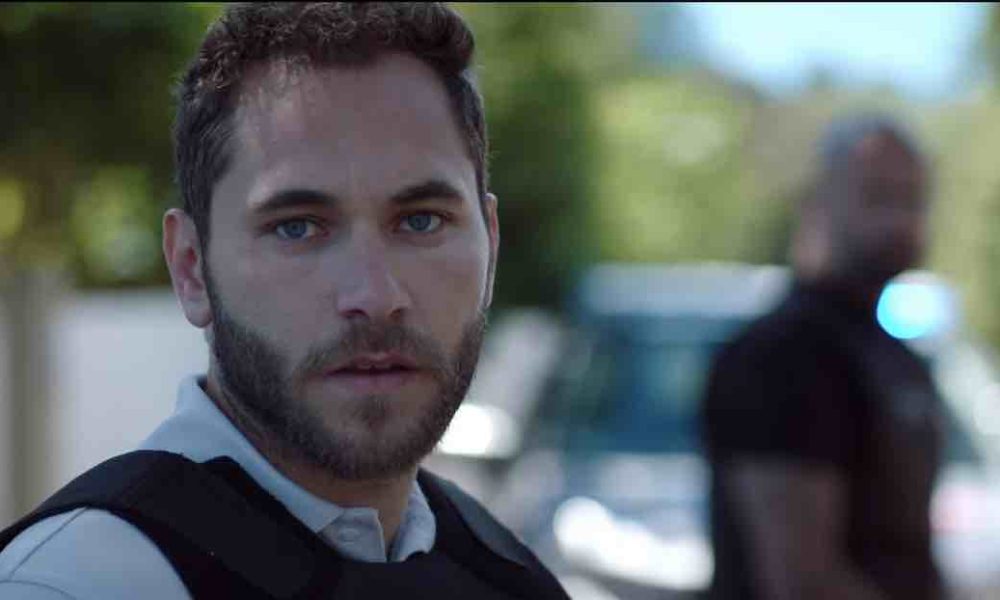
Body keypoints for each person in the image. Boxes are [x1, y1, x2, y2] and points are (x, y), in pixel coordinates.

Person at [0, 4, 570, 599]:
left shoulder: (510, 578)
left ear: (490, 245)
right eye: (297, 227)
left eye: (421, 221)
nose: (375, 296)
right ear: (191, 268)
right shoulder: (70, 586)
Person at [702, 116, 946, 600]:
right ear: (817, 206)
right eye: (876, 196)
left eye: (912, 199)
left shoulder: (896, 357)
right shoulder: (783, 355)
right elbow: (802, 581)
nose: (899, 220)